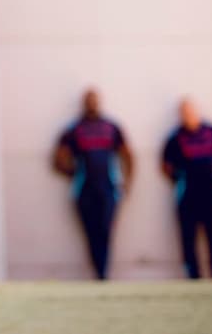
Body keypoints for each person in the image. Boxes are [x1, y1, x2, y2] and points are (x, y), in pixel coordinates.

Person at [52, 88, 134, 280]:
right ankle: (98, 273)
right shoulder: (74, 129)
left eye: (94, 99)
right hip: (84, 189)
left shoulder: (111, 127)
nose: (91, 103)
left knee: (106, 228)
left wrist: (127, 182)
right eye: (88, 100)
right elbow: (57, 158)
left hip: (108, 188)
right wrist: (72, 171)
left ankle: (104, 273)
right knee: (91, 232)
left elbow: (128, 155)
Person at [162, 97, 212, 279]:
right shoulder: (175, 138)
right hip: (188, 193)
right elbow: (166, 166)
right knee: (188, 236)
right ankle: (193, 275)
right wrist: (179, 179)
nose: (188, 115)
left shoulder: (211, 131)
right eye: (184, 112)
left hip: (210, 191)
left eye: (191, 111)